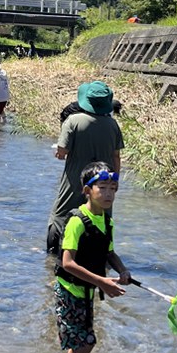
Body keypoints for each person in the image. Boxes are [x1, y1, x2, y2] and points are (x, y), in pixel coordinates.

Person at [55, 162, 131, 353]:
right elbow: (67, 263)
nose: (109, 194)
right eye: (103, 188)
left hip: (87, 292)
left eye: (113, 189)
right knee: (86, 342)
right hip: (69, 292)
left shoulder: (107, 222)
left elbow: (109, 253)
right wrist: (102, 282)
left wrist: (122, 270)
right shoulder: (77, 221)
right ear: (87, 191)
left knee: (81, 341)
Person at [47, 81, 124, 254]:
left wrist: (60, 154)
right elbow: (116, 156)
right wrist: (114, 182)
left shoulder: (73, 121)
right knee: (101, 218)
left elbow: (63, 150)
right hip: (103, 181)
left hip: (75, 180)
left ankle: (54, 257)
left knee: (61, 216)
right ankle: (99, 258)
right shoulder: (112, 125)